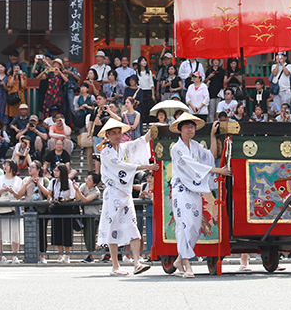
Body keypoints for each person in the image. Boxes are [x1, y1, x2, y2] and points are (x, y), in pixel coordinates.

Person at [168, 113, 230, 278]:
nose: (190, 129)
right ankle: (187, 264)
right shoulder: (177, 148)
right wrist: (218, 170)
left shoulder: (196, 146)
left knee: (195, 228)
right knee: (184, 226)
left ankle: (179, 259)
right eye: (187, 127)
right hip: (181, 190)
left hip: (194, 192)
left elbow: (210, 157)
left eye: (192, 126)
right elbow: (193, 166)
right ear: (180, 130)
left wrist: (211, 136)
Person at [96, 117, 158, 275]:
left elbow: (140, 141)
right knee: (112, 227)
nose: (117, 136)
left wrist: (153, 130)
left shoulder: (124, 148)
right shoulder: (106, 153)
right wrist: (146, 166)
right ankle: (115, 265)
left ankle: (137, 262)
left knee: (132, 225)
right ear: (108, 136)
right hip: (113, 193)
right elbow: (121, 166)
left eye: (119, 132)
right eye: (114, 133)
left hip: (125, 192)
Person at [0, 160, 22, 264]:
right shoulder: (0, 179)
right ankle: (1, 257)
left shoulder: (18, 180)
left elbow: (20, 196)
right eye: (5, 165)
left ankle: (14, 255)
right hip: (1, 207)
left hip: (14, 207)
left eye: (8, 165)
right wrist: (3, 190)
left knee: (15, 232)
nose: (5, 167)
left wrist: (13, 191)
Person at [48, 163, 78, 263]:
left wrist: (64, 199)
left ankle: (67, 255)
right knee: (57, 231)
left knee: (67, 231)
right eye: (54, 170)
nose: (55, 172)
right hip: (56, 209)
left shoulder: (68, 182)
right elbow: (49, 193)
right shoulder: (53, 182)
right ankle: (60, 254)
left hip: (66, 208)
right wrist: (51, 199)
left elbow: (72, 195)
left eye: (57, 171)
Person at [78, 172, 102, 262]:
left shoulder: (96, 191)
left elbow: (85, 200)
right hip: (85, 214)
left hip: (93, 216)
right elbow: (77, 198)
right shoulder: (84, 186)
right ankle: (89, 255)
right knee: (86, 236)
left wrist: (78, 191)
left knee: (91, 236)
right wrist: (78, 191)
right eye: (86, 179)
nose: (86, 181)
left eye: (89, 180)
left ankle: (91, 256)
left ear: (94, 184)